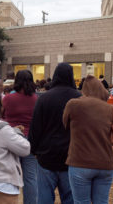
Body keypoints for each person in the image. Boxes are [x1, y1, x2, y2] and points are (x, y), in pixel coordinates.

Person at [29, 63, 81, 204]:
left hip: (46, 155)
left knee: (44, 198)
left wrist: (33, 149)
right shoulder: (79, 98)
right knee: (70, 198)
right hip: (71, 156)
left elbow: (36, 127)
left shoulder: (44, 98)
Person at [63, 75, 113, 204]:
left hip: (80, 162)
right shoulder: (110, 108)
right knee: (102, 202)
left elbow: (65, 124)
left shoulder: (73, 104)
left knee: (81, 201)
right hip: (106, 163)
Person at [2, 70, 38, 204]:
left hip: (11, 138)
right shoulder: (35, 99)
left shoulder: (8, 98)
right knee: (30, 177)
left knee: (10, 175)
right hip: (30, 139)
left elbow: (1, 115)